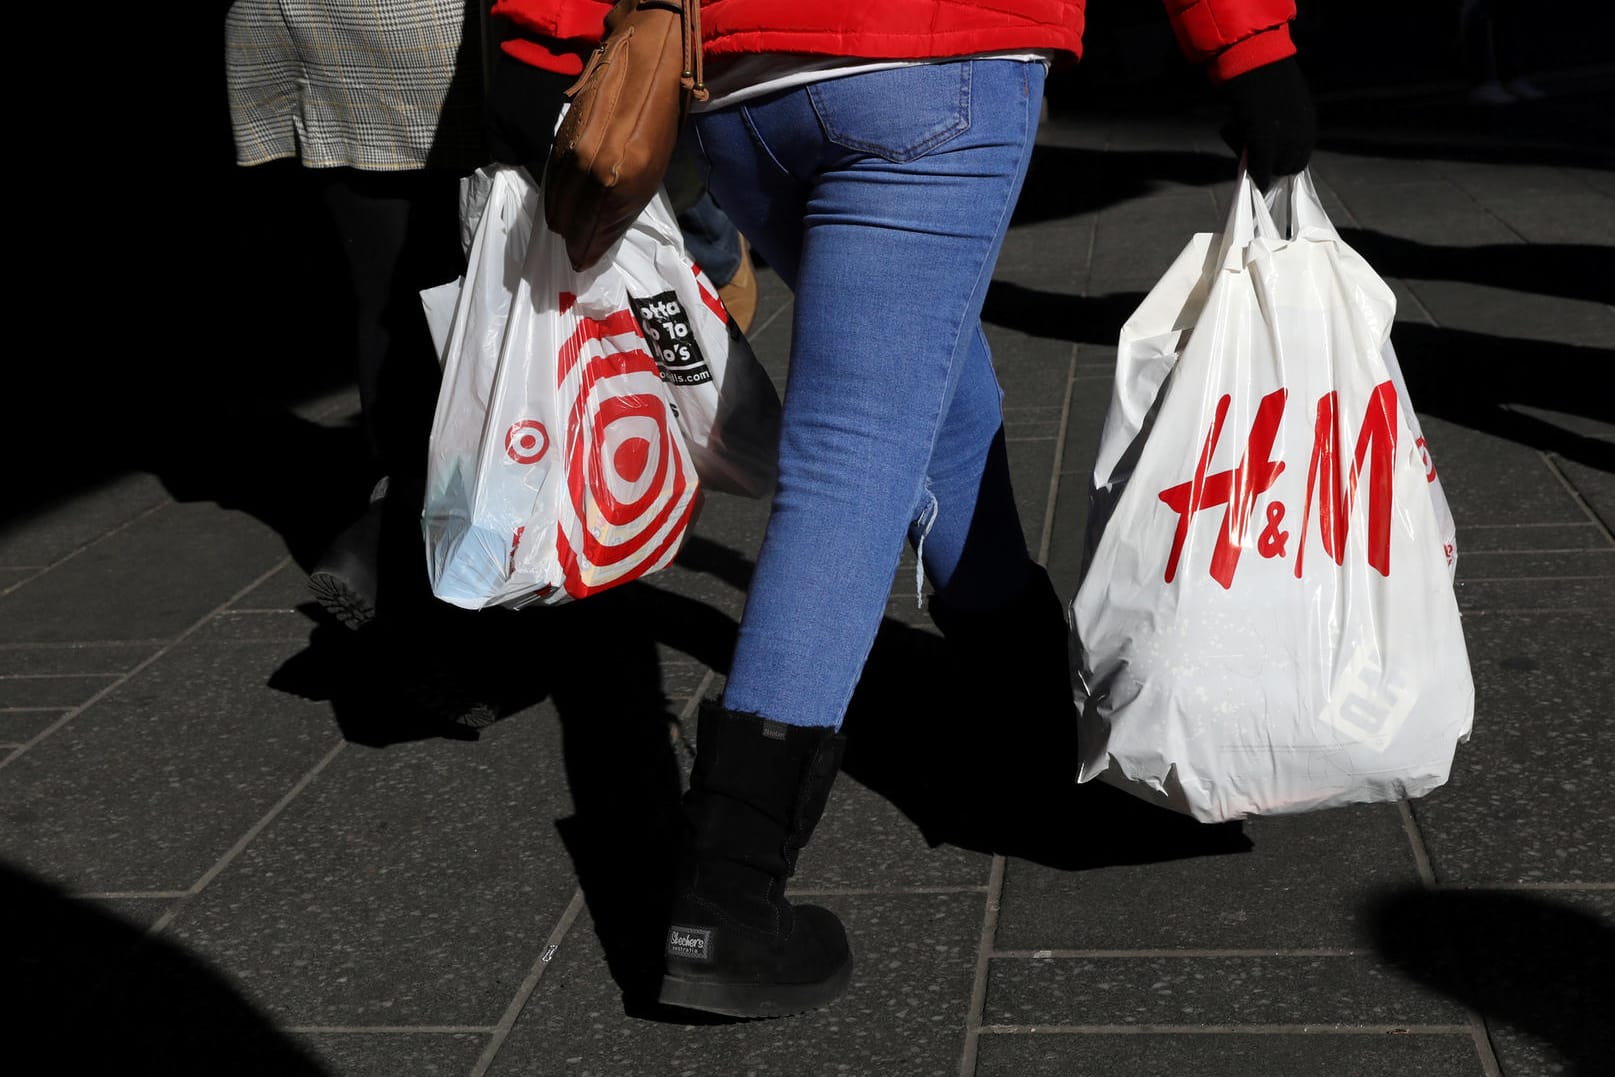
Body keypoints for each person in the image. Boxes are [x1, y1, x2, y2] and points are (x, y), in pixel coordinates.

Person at [497, 0, 1314, 1020]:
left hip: (741, 85)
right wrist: (1247, 45)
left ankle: (1022, 714)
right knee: (856, 453)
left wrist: (542, 29)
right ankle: (728, 893)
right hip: (933, 62)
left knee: (929, 384)